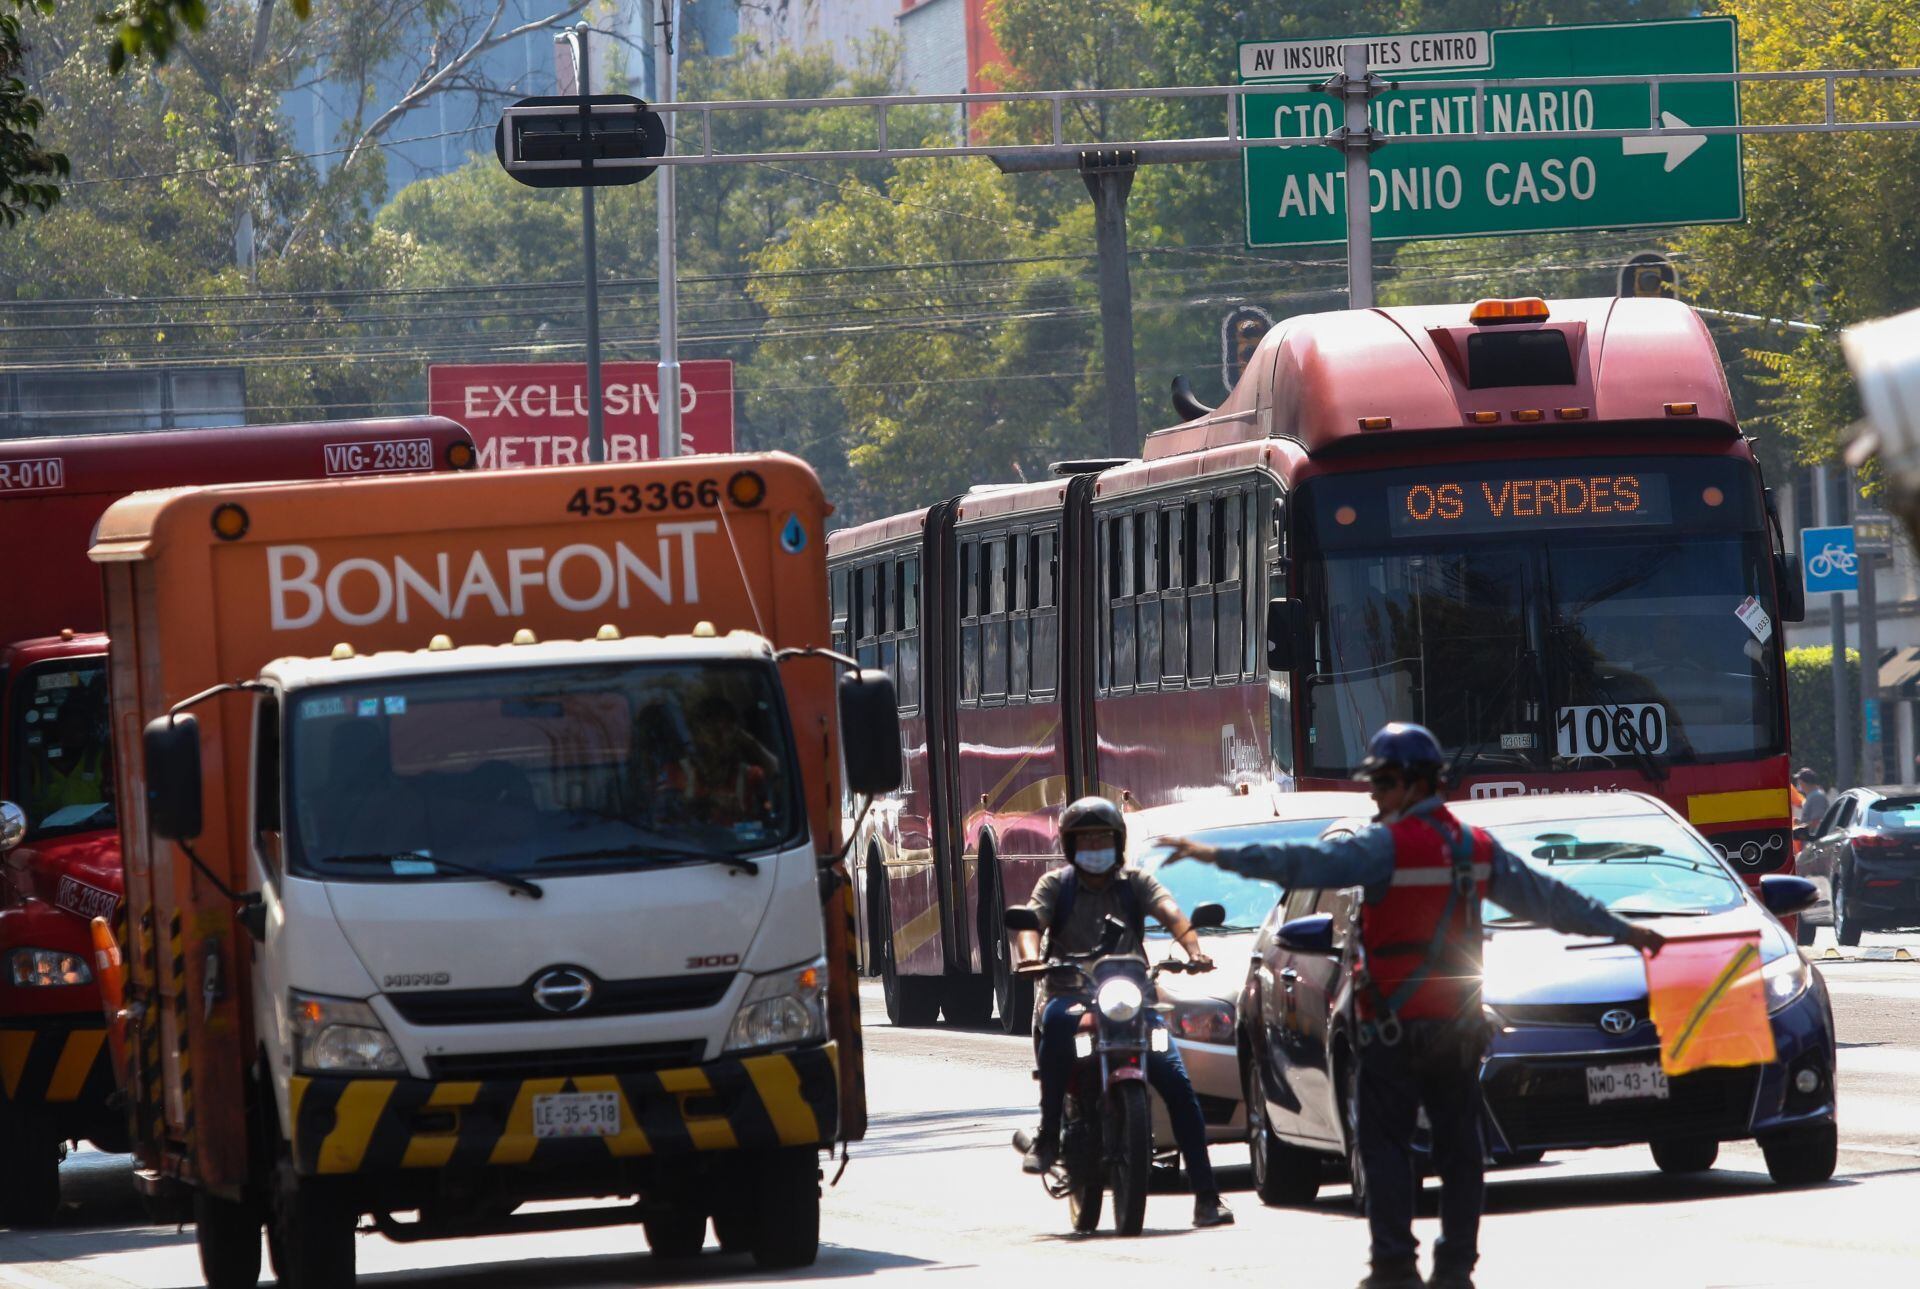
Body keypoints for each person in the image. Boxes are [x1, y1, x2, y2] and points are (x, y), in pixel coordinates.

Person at [1162, 723, 1664, 1289]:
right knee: (1460, 1150)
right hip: (1456, 1030)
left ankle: (1395, 1267)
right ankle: (1454, 1269)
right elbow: (1553, 901)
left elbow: (1300, 864)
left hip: (1389, 1034)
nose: (1373, 795)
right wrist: (1625, 931)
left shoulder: (1383, 848)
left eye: (1380, 782)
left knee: (1386, 1150)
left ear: (1408, 782)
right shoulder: (1476, 848)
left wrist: (1210, 854)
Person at [1014, 795, 1235, 1229]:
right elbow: (1029, 926)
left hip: (1132, 1001)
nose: (1095, 845)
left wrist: (1193, 950)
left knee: (1177, 1081)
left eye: (1103, 837)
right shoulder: (1055, 886)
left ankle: (1207, 1197)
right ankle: (1048, 1132)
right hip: (1071, 996)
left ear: (1117, 843)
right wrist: (1028, 957)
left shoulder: (1136, 882)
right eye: (1086, 838)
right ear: (1070, 845)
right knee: (1056, 1026)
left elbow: (1171, 912)